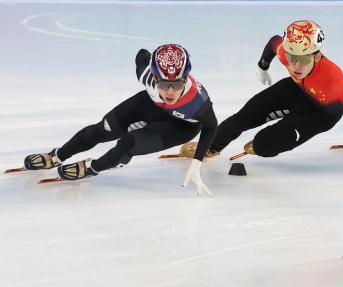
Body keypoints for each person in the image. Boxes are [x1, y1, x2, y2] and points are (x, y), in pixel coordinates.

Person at [187, 19, 343, 186]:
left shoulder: (334, 80)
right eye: (291, 57)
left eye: (303, 59)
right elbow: (274, 42)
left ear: (316, 56)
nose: (296, 65)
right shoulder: (287, 53)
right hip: (296, 91)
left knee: (262, 145)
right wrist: (263, 66)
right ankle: (212, 147)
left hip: (321, 115)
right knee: (245, 116)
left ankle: (262, 143)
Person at [23, 44, 217, 194]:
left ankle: (91, 167)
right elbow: (142, 55)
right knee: (100, 130)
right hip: (151, 106)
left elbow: (211, 126)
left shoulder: (197, 103)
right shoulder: (147, 76)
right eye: (164, 84)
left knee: (127, 144)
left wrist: (196, 163)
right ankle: (56, 156)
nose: (170, 91)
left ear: (186, 78)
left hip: (182, 125)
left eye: (177, 84)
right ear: (155, 78)